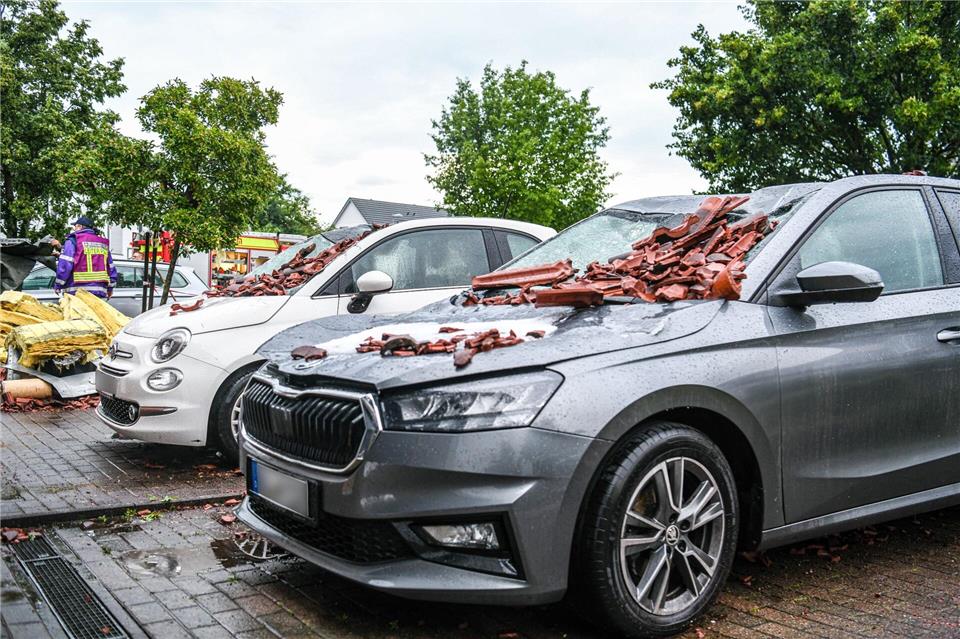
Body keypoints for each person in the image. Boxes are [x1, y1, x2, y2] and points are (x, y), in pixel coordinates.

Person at [55, 216, 117, 299]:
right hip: (99, 291)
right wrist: (110, 288)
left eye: (75, 226)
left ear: (80, 226)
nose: (74, 229)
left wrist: (58, 284)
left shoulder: (73, 240)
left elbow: (66, 264)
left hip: (76, 290)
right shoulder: (102, 243)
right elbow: (111, 267)